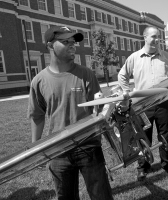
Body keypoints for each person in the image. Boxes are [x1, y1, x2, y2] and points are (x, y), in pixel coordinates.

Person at [27, 26, 113, 200]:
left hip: (88, 146)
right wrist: (36, 150)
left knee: (101, 196)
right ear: (50, 45)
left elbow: (99, 110)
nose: (72, 45)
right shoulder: (39, 81)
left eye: (73, 42)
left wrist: (109, 106)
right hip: (58, 151)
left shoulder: (86, 74)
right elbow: (37, 116)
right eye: (66, 42)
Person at [118, 26, 168, 181]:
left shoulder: (166, 57)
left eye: (158, 37)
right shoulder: (134, 58)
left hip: (163, 104)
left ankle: (167, 164)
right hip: (142, 107)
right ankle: (143, 167)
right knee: (143, 137)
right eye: (153, 36)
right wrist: (128, 94)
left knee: (164, 134)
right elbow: (122, 75)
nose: (156, 39)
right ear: (144, 37)